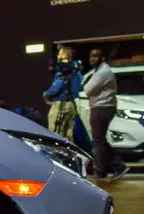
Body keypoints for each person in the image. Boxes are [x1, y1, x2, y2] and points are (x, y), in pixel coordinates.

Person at [81, 47, 125, 180]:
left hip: (102, 107)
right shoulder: (96, 71)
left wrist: (85, 84)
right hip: (100, 107)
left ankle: (102, 170)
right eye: (91, 56)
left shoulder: (103, 72)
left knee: (98, 140)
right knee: (100, 140)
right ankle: (115, 167)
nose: (92, 59)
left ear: (103, 58)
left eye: (95, 56)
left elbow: (87, 89)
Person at [44, 46, 81, 138]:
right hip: (72, 105)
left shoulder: (63, 69)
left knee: (55, 134)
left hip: (61, 104)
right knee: (68, 135)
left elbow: (57, 87)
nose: (58, 56)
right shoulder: (77, 70)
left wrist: (46, 94)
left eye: (59, 53)